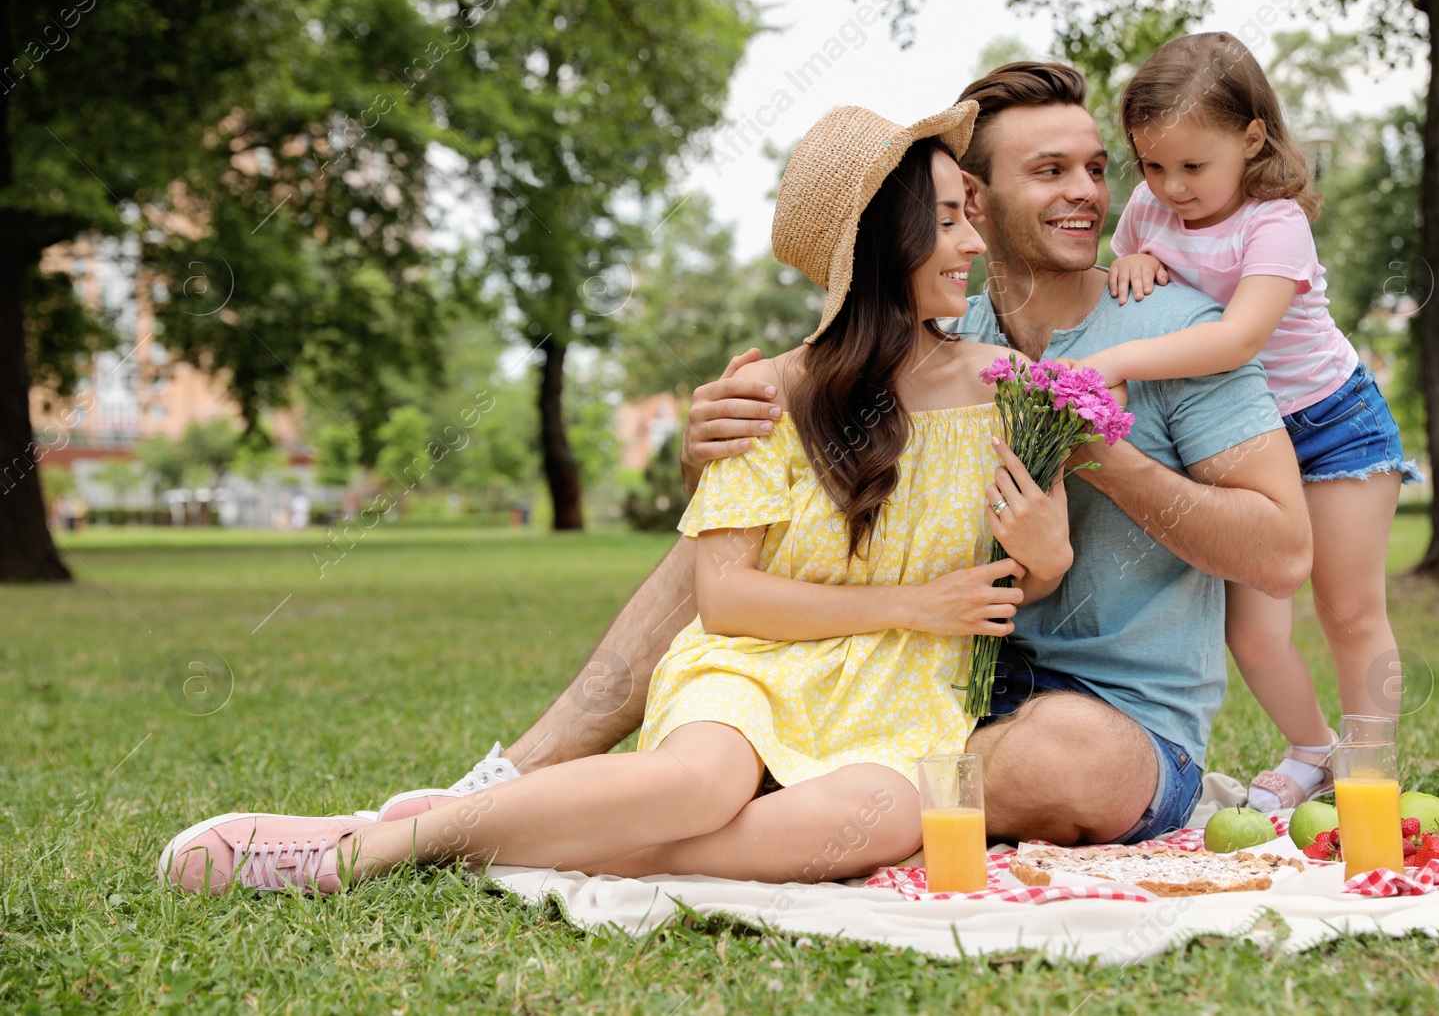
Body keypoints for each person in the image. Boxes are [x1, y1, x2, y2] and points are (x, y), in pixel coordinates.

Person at [348, 61, 1313, 857]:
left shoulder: (1180, 331)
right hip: (920, 681)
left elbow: (1281, 554)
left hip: (1101, 717)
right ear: (966, 198)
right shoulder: (945, 331)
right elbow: (814, 481)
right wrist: (715, 457)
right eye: (1052, 170)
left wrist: (1106, 452)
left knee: (1065, 760)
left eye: (1099, 168)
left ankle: (640, 832)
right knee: (716, 550)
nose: (1092, 194)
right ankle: (529, 771)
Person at [161, 101, 1079, 895]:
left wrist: (1047, 559)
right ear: (885, 239)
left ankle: (530, 841)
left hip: (902, 698)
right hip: (751, 670)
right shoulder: (765, 395)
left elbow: (1029, 574)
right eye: (951, 218)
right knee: (696, 785)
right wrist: (914, 603)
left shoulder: (1009, 387)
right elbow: (726, 599)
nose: (973, 239)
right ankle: (374, 847)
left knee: (881, 816)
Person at [1078, 33, 1423, 812]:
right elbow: (1122, 272)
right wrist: (1125, 263)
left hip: (1331, 423)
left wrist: (1123, 361)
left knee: (1349, 607)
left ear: (1252, 137)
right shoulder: (1146, 208)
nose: (1171, 187)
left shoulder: (1275, 223)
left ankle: (1369, 774)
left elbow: (1238, 336)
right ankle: (1311, 749)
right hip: (1240, 435)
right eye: (1153, 166)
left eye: (1192, 166)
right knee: (1254, 632)